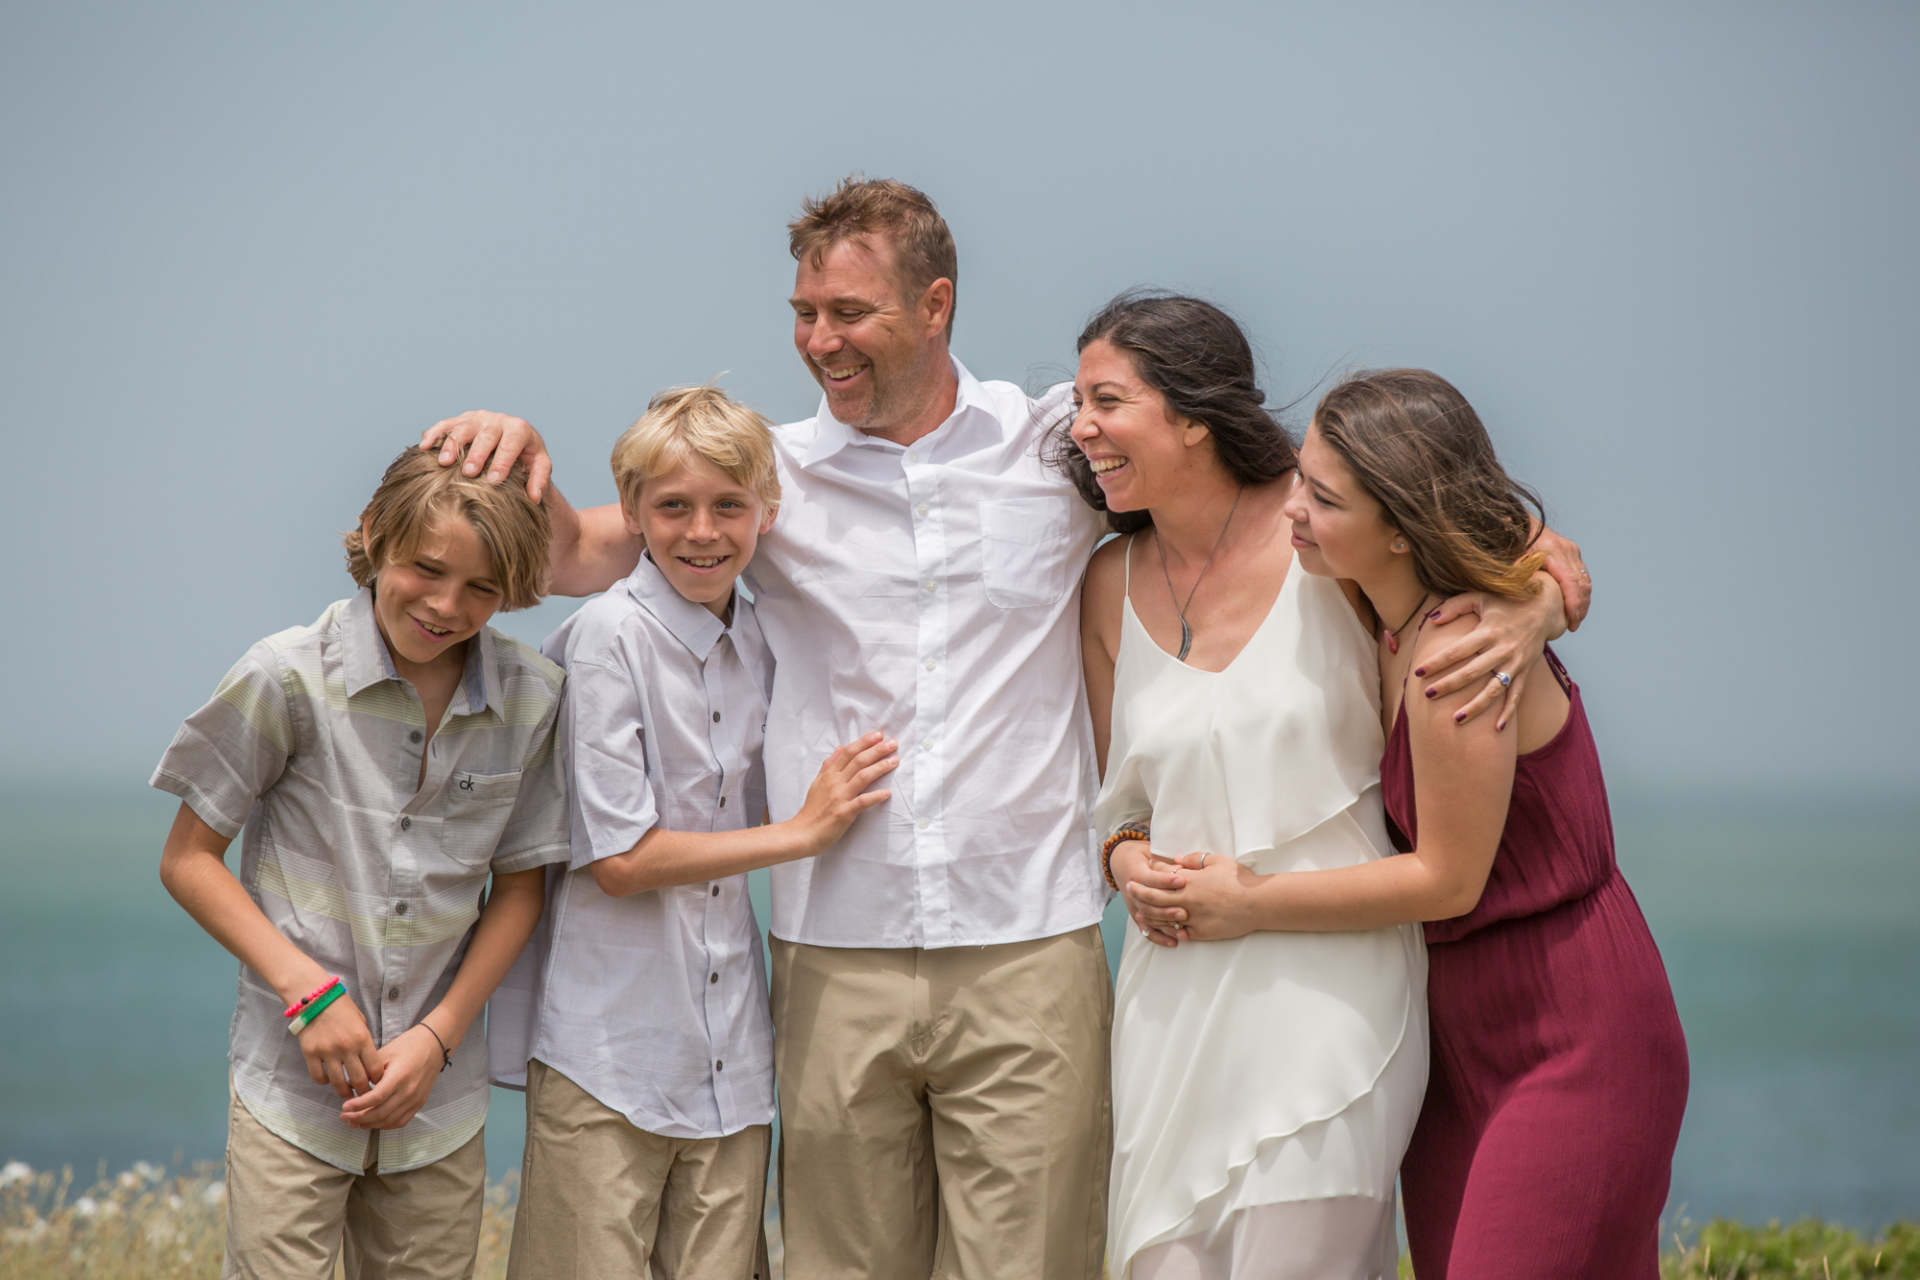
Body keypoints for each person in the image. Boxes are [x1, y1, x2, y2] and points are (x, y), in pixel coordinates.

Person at [423, 178, 1590, 1279]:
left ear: (935, 306)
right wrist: (507, 451)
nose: (820, 339)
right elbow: (578, 555)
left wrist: (1538, 592)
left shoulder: (1063, 448)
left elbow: (1404, 511)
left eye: (850, 311)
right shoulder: (763, 477)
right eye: (802, 314)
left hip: (1031, 948)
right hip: (838, 950)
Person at [1133, 369, 1687, 1278]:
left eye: (1321, 498)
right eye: (1298, 481)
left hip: (1573, 1028)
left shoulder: (1457, 652)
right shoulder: (1369, 607)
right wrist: (1545, 593)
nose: (1291, 513)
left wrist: (1250, 900)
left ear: (1398, 524)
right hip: (1451, 1037)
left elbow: (1449, 879)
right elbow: (1535, 547)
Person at [487, 385, 898, 1280]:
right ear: (631, 510)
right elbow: (624, 861)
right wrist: (803, 831)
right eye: (672, 506)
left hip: (733, 1059)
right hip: (607, 1055)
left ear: (767, 511)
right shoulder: (606, 638)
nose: (701, 531)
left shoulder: (757, 638)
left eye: (728, 506)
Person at [152, 444, 569, 1280]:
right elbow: (189, 860)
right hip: (290, 1101)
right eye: (427, 569)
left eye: (483, 589)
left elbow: (521, 889)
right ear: (376, 535)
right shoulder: (286, 677)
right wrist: (307, 993)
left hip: (438, 1105)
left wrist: (436, 1040)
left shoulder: (533, 697)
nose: (447, 606)